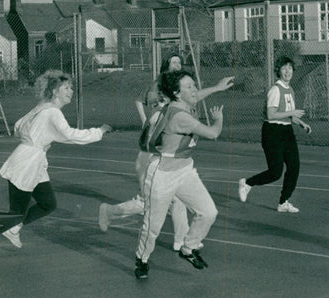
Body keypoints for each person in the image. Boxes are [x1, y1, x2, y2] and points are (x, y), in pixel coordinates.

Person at [98, 53, 233, 252]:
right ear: (166, 67)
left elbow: (193, 96)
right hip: (151, 157)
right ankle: (111, 211)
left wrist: (217, 88)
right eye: (174, 62)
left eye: (180, 61)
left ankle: (181, 240)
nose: (178, 65)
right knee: (152, 203)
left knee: (175, 201)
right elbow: (151, 105)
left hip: (166, 159)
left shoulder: (178, 96)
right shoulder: (160, 89)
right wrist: (146, 118)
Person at [0, 70, 111, 260]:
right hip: (26, 163)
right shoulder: (52, 112)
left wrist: (37, 140)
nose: (71, 91)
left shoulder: (41, 108)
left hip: (33, 161)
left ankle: (14, 228)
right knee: (16, 213)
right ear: (54, 91)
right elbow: (70, 135)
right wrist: (98, 132)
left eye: (71, 87)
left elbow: (18, 126)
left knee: (48, 204)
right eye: (66, 88)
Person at [134, 70, 223, 279]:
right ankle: (142, 259)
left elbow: (196, 96)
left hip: (185, 171)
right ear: (176, 92)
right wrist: (218, 119)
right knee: (153, 226)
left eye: (194, 85)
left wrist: (218, 88)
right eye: (189, 87)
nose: (195, 90)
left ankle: (188, 248)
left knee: (209, 212)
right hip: (162, 174)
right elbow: (213, 133)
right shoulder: (179, 116)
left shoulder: (180, 104)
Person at [237, 56, 311, 213]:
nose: (287, 71)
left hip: (287, 131)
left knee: (294, 167)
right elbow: (271, 115)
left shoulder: (290, 89)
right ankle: (247, 183)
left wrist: (301, 123)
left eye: (290, 68)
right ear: (279, 71)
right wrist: (292, 113)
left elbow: (288, 114)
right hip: (272, 132)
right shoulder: (275, 90)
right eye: (284, 68)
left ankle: (283, 202)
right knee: (275, 172)